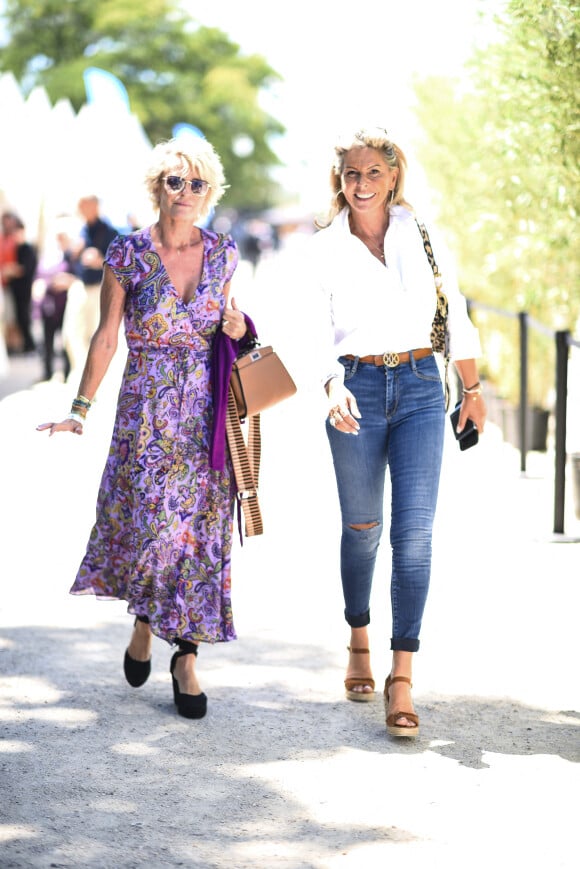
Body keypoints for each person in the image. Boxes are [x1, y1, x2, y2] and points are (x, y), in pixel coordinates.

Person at [37, 136, 252, 720]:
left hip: (207, 417)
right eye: (175, 181)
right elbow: (108, 335)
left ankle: (185, 658)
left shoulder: (226, 254)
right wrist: (79, 409)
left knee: (199, 537)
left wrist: (236, 324)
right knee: (157, 529)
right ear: (157, 186)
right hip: (148, 414)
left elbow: (227, 327)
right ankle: (144, 619)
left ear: (211, 193)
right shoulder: (128, 254)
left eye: (197, 183)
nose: (185, 192)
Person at [308, 127, 487, 738]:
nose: (361, 185)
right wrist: (330, 384)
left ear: (393, 178)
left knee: (414, 535)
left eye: (373, 174)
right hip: (353, 388)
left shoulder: (420, 232)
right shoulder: (323, 248)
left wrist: (474, 388)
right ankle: (358, 633)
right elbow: (312, 333)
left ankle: (401, 675)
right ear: (340, 180)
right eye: (351, 174)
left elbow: (452, 308)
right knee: (363, 531)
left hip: (417, 387)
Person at [62, 195, 118, 374]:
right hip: (80, 286)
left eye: (83, 205)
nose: (80, 209)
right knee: (71, 334)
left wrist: (101, 260)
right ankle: (80, 373)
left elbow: (119, 264)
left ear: (94, 206)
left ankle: (94, 378)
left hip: (99, 288)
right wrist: (72, 250)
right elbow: (69, 257)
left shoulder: (110, 231)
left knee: (96, 335)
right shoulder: (81, 230)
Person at [1, 212, 38, 353]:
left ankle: (29, 345)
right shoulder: (17, 248)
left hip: (24, 289)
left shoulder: (27, 248)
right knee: (18, 317)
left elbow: (25, 268)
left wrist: (11, 270)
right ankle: (24, 345)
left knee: (24, 317)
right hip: (15, 289)